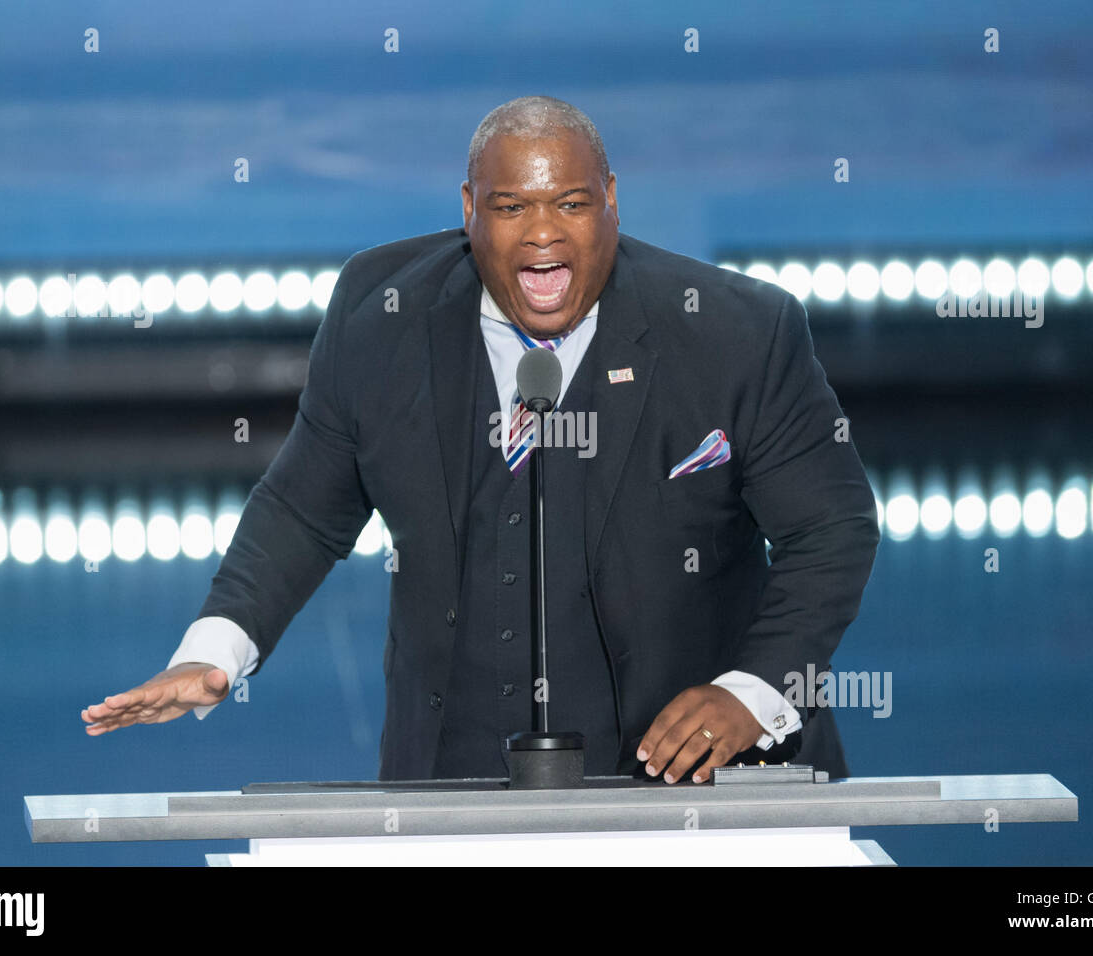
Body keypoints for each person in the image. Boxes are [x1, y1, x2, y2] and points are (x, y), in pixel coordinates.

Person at [82, 96, 879, 784]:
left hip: (695, 784)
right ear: (469, 210)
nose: (542, 235)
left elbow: (831, 528)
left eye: (570, 203)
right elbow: (303, 509)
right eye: (510, 207)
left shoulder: (735, 332)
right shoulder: (380, 315)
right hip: (454, 784)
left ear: (611, 201)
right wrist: (215, 650)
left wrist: (751, 692)